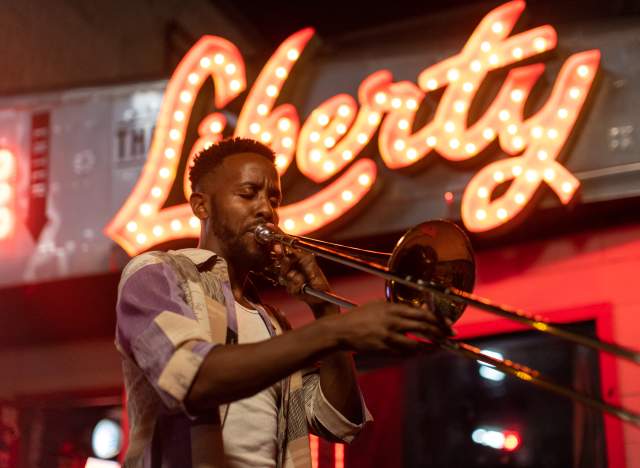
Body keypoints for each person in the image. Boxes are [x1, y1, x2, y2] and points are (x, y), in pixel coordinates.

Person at [115, 137, 452, 467]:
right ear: (201, 205)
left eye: (273, 199)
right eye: (248, 194)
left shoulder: (272, 322)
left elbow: (339, 422)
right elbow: (193, 379)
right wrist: (334, 331)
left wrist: (325, 310)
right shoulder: (157, 273)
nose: (266, 210)